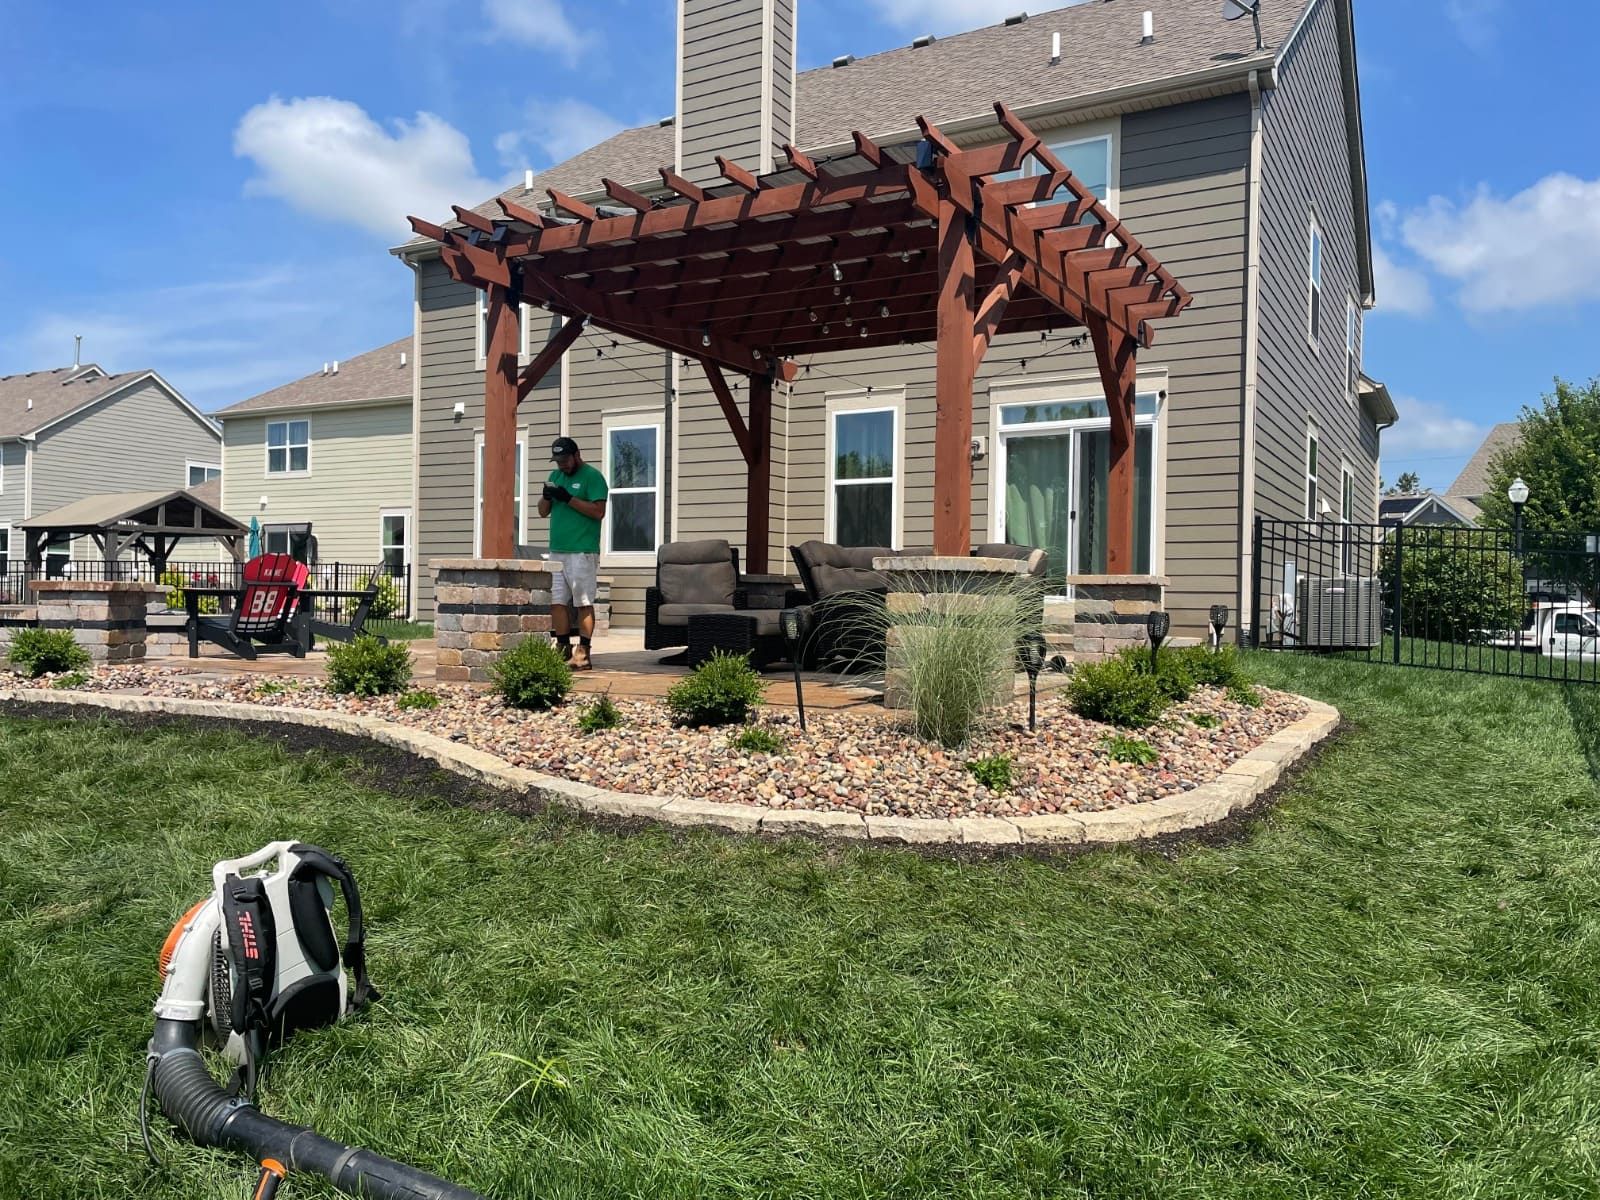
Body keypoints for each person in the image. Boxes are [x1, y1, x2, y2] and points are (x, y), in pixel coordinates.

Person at [538, 436, 608, 670]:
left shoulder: (593, 477)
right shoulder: (555, 477)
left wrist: (568, 498)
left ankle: (584, 652)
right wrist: (547, 497)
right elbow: (542, 512)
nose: (562, 465)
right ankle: (563, 647)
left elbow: (598, 512)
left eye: (565, 460)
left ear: (577, 455)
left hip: (582, 551)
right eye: (558, 461)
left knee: (583, 603)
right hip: (557, 551)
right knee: (557, 602)